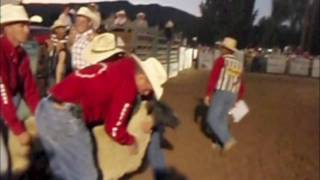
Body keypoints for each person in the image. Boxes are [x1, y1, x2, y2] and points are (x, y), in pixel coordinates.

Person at [35, 33, 168, 180]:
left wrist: (153, 115)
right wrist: (130, 141)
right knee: (86, 176)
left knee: (62, 171)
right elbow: (114, 128)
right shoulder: (128, 85)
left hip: (47, 107)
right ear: (142, 77)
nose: (147, 92)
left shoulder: (119, 69)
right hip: (66, 117)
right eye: (149, 87)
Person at [0, 4, 41, 179]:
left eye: (27, 24)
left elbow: (29, 89)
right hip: (3, 99)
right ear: (7, 27)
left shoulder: (21, 54)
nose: (27, 29)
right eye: (22, 25)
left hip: (8, 101)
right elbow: (2, 93)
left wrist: (41, 114)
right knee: (2, 161)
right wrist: (18, 129)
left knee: (11, 146)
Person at [204, 37, 245, 152]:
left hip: (222, 92)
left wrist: (208, 94)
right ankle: (220, 143)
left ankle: (227, 139)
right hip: (233, 94)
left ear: (225, 49)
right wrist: (239, 98)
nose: (221, 49)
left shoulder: (221, 60)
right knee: (223, 119)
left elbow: (214, 78)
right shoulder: (239, 64)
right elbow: (241, 83)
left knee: (211, 119)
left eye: (222, 47)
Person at [69, 6, 100, 71]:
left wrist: (96, 41)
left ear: (90, 23)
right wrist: (70, 42)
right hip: (77, 74)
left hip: (88, 74)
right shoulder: (77, 36)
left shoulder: (93, 37)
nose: (78, 24)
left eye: (82, 22)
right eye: (77, 21)